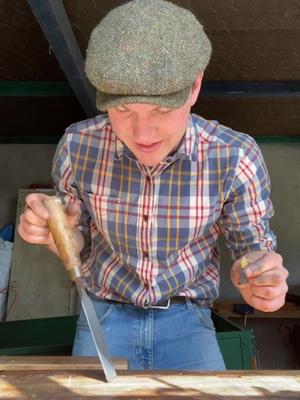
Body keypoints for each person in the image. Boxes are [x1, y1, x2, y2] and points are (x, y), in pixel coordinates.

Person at [18, 0, 288, 371]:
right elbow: (78, 239)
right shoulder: (78, 146)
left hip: (189, 321)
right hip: (103, 315)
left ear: (194, 88)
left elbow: (250, 248)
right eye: (124, 111)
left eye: (161, 111)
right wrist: (58, 234)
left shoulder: (235, 155)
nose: (141, 133)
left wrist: (258, 280)